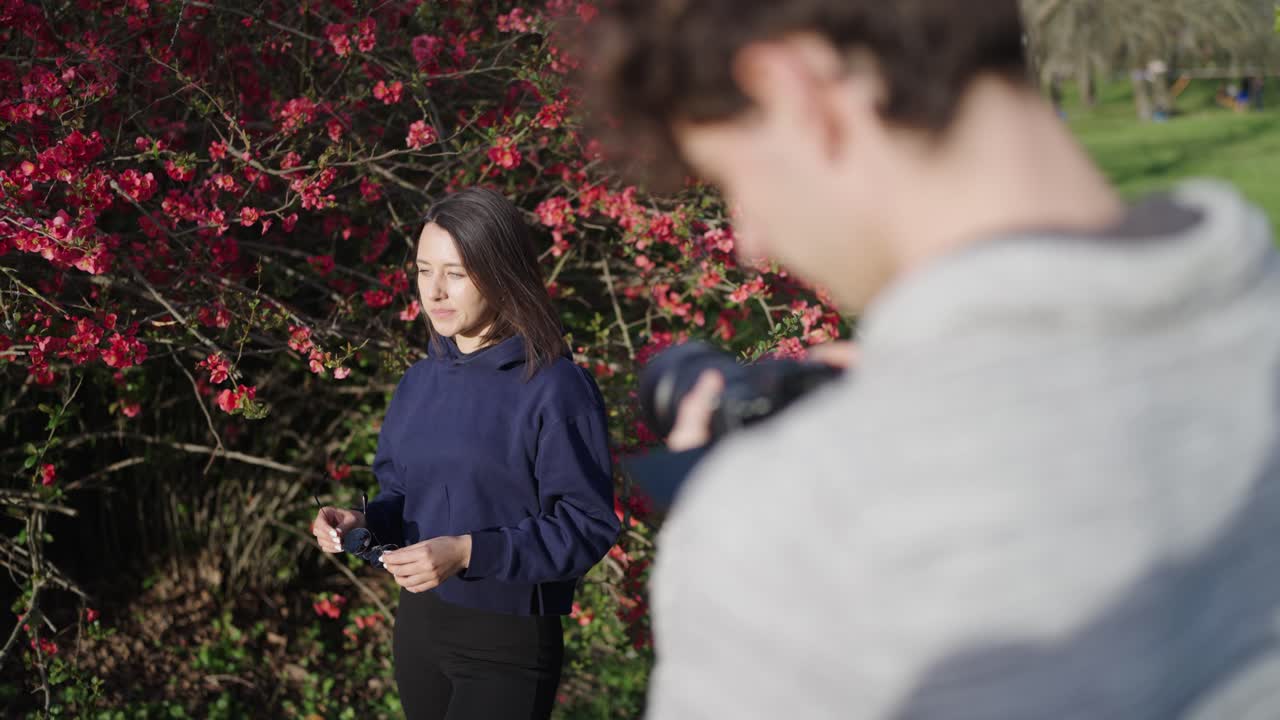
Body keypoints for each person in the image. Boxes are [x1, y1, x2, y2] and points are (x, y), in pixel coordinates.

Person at [584, 1, 1280, 718]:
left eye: (732, 182)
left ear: (793, 91)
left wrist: (751, 503)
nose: (751, 242)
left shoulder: (796, 523)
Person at [310, 188, 619, 720]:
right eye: (424, 270)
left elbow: (586, 523)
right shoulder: (420, 381)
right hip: (420, 634)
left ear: (501, 272)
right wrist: (362, 520)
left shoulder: (556, 386)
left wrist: (468, 551)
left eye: (455, 272)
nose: (434, 291)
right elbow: (405, 496)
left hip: (508, 642)